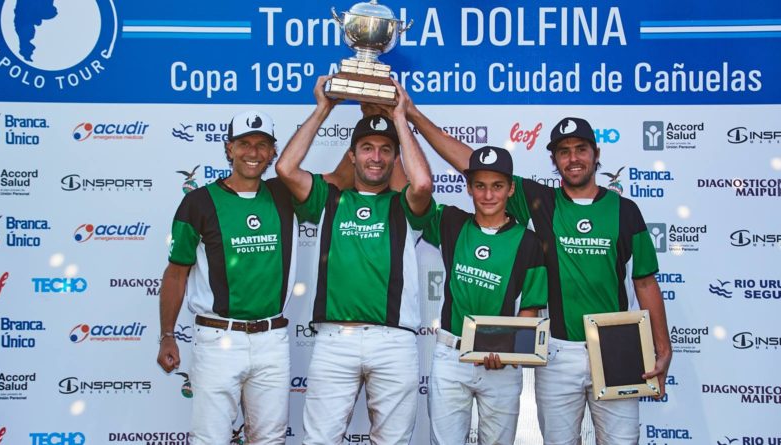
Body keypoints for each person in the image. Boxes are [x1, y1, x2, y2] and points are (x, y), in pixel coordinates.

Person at [406, 109, 672, 445]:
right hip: (558, 352)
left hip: (615, 346)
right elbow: (472, 163)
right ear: (554, 160)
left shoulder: (626, 210)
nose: (573, 159)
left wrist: (663, 348)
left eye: (581, 149)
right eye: (564, 151)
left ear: (596, 153)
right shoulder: (540, 202)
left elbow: (645, 282)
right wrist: (411, 114)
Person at [156, 110, 351, 445]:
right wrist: (167, 335)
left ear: (274, 152)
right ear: (229, 148)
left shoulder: (284, 193)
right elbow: (176, 274)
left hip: (271, 340)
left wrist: (352, 113)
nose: (253, 152)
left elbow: (340, 178)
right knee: (209, 439)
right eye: (244, 143)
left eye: (262, 145)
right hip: (218, 338)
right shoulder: (198, 203)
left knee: (269, 439)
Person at [275, 76, 433, 445]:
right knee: (319, 440)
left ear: (395, 158)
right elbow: (286, 170)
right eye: (366, 148)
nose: (375, 157)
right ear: (352, 156)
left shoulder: (404, 205)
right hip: (335, 339)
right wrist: (323, 108)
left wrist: (399, 117)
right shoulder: (328, 198)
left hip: (394, 340)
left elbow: (423, 184)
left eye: (385, 150)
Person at [419, 145, 548, 445]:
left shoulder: (529, 242)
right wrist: (401, 123)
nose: (488, 195)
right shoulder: (450, 222)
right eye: (480, 186)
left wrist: (505, 350)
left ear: (511, 189)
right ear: (469, 187)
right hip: (451, 357)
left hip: (501, 365)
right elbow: (413, 190)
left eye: (497, 186)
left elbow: (530, 309)